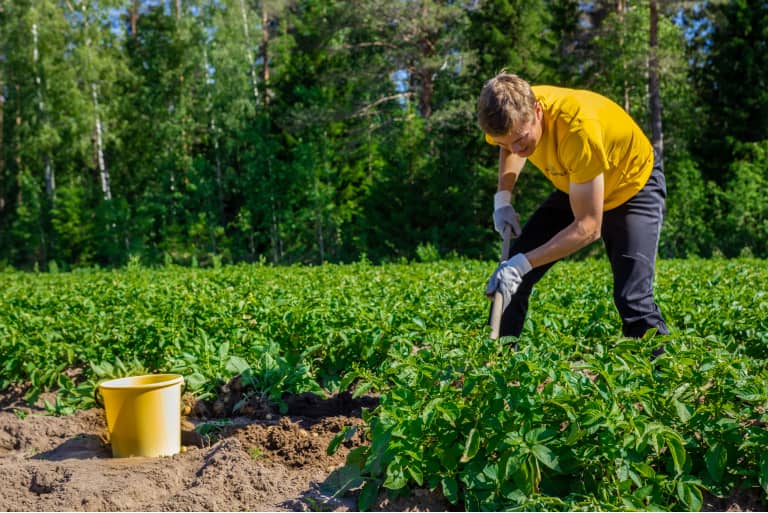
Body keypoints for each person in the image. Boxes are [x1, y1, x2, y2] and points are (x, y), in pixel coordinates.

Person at [479, 72, 669, 344]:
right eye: (504, 143)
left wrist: (523, 264)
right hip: (578, 184)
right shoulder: (507, 114)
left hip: (632, 188)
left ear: (537, 110)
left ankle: (664, 376)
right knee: (511, 278)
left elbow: (589, 227)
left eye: (521, 140)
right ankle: (497, 363)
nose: (516, 150)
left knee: (632, 299)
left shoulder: (578, 129)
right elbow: (509, 146)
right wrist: (503, 199)